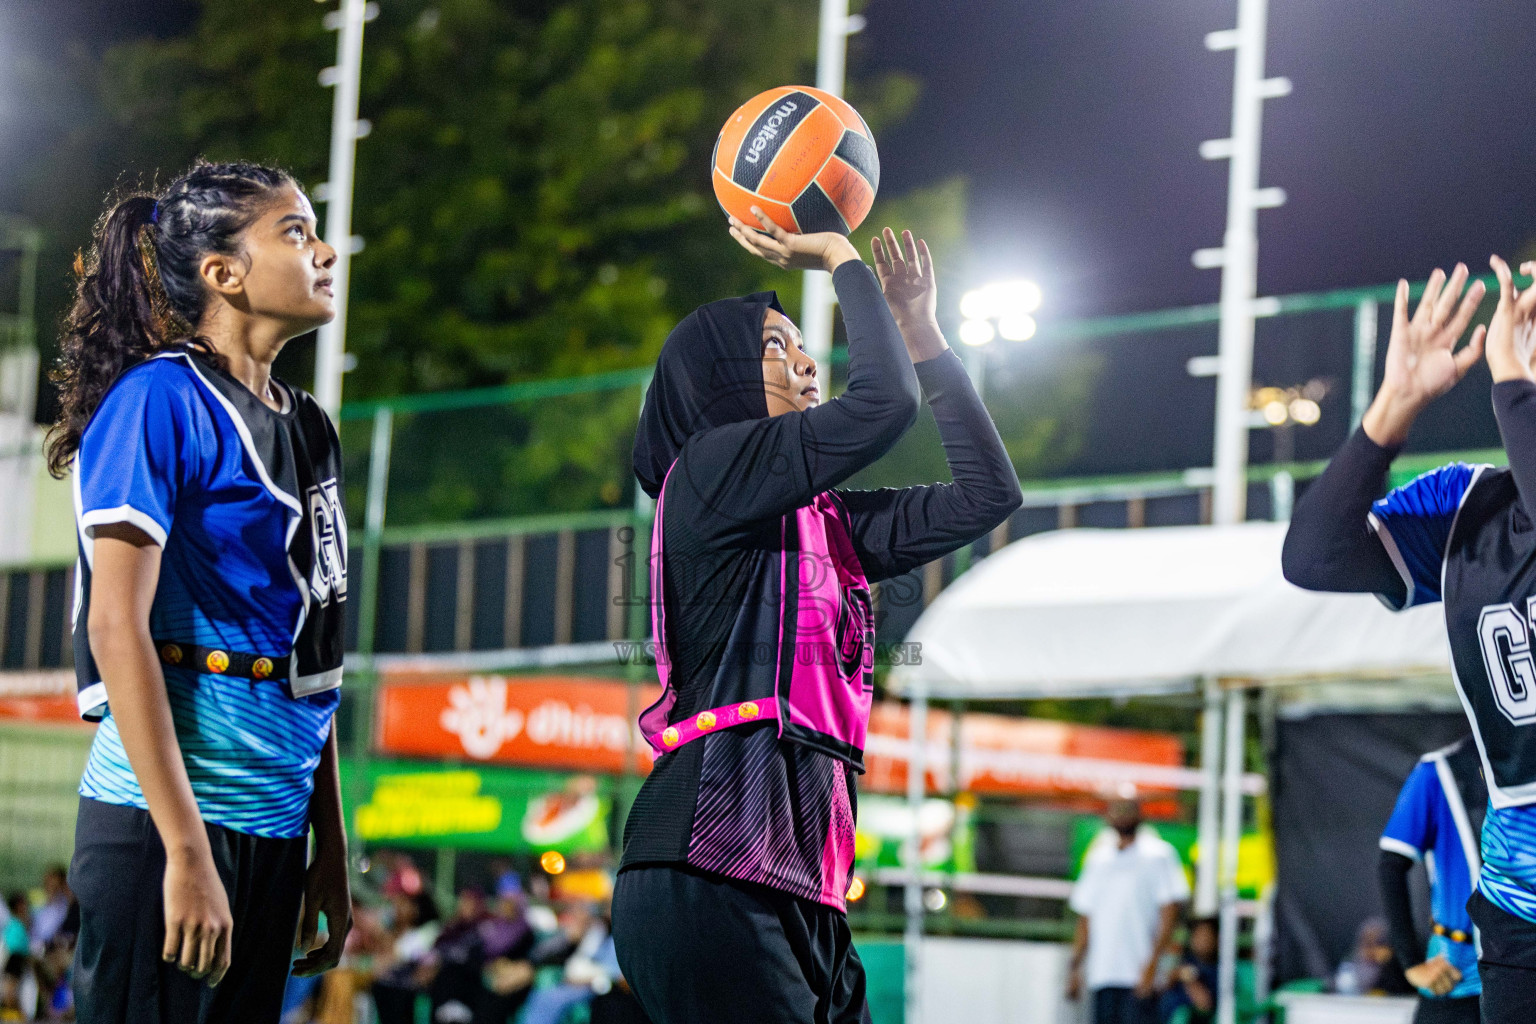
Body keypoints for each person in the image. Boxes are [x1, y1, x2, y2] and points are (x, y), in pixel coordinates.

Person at [612, 208, 1023, 1024]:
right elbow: (883, 406)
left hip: (803, 882)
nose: (806, 359)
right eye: (775, 346)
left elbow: (989, 495)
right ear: (717, 376)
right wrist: (839, 255)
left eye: (802, 341)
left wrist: (922, 333)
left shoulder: (822, 519)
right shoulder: (711, 468)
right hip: (709, 860)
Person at [53, 162, 352, 1023]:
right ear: (223, 273)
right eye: (295, 232)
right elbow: (116, 625)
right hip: (166, 829)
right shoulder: (158, 400)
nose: (325, 250)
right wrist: (186, 851)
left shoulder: (311, 429)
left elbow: (315, 656)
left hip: (272, 830)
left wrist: (326, 848)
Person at [1281, 256, 1536, 1021]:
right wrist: (1394, 405)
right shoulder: (1471, 505)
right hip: (1521, 899)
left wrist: (1513, 389)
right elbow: (1314, 559)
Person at [1378, 736, 1487, 1023]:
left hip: (1520, 978)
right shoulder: (1440, 769)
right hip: (1458, 980)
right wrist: (1411, 964)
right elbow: (1392, 864)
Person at [1067, 800, 1191, 1024]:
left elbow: (1170, 912)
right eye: (1117, 809)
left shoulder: (1158, 855)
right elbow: (1086, 917)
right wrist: (1074, 968)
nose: (1122, 814)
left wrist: (1153, 965)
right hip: (1102, 973)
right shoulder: (1098, 859)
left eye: (1127, 809)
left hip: (1140, 975)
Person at [1158, 917, 1218, 1024]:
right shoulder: (1184, 960)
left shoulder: (1218, 970)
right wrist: (1175, 975)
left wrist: (1189, 979)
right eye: (1198, 935)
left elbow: (1204, 1004)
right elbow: (1161, 986)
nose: (1202, 940)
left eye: (1206, 936)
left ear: (1216, 939)